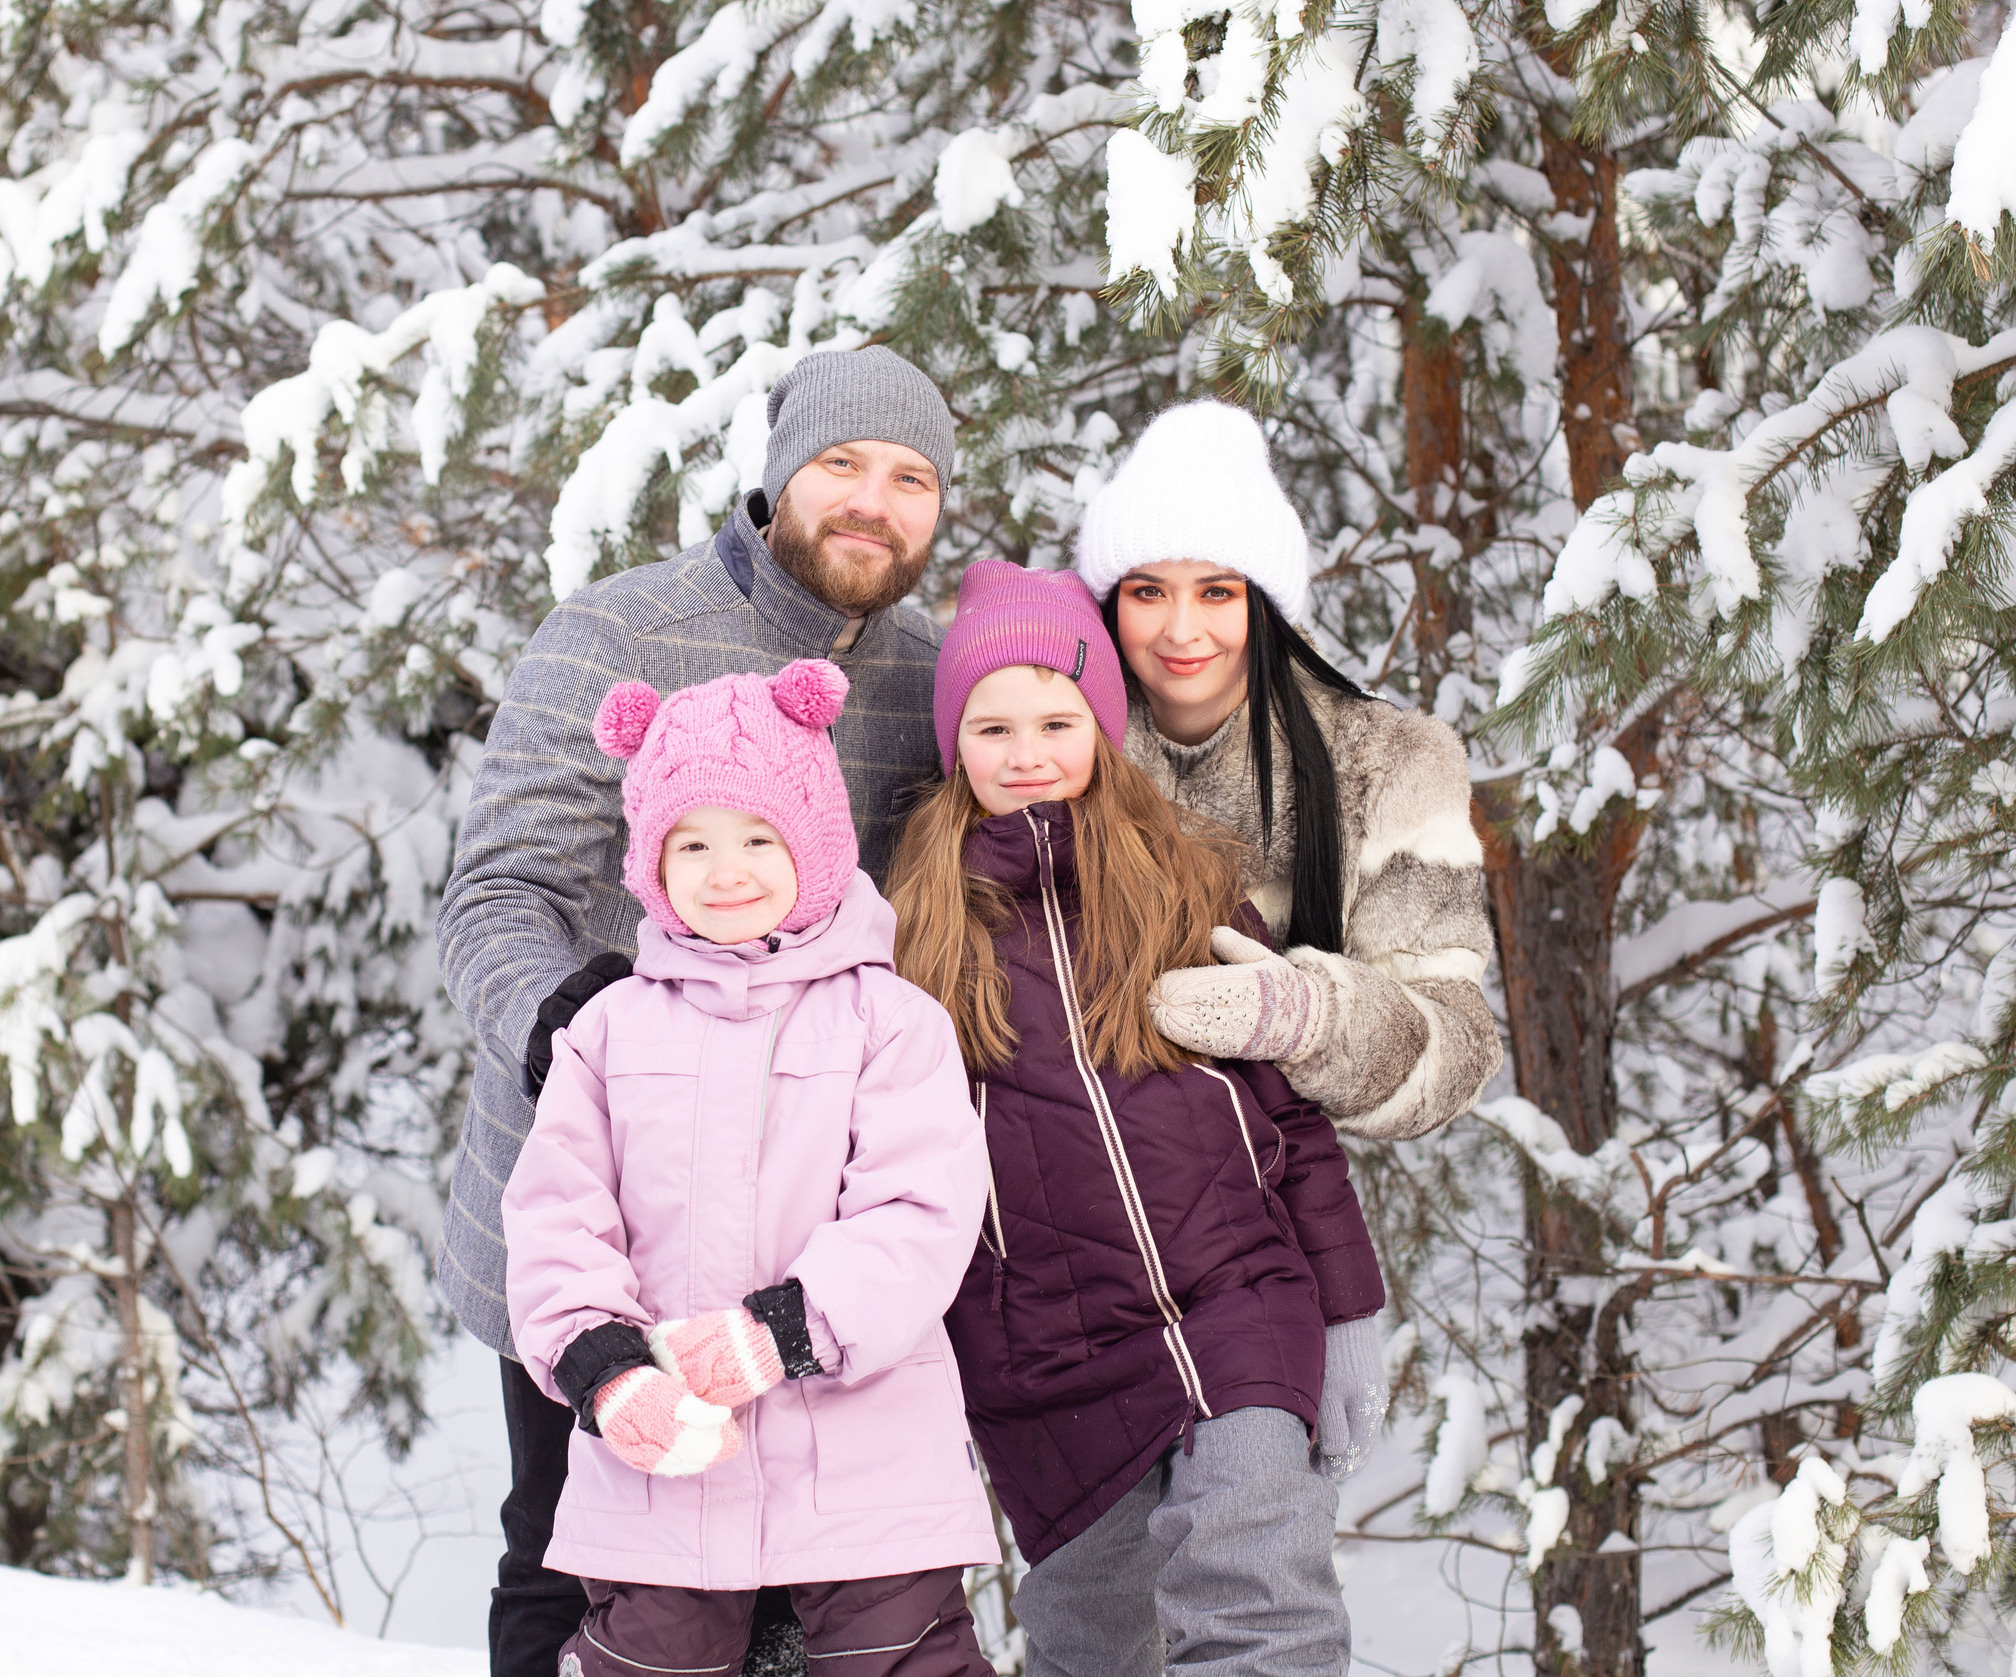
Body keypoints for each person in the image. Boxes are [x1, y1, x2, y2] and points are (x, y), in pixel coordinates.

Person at [434, 346, 958, 1672]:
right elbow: (496, 890)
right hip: (604, 1206)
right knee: (581, 1559)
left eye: (911, 478)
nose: (873, 501)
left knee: (809, 1599)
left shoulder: (926, 678)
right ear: (776, 476)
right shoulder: (621, 632)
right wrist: (579, 1030)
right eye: (842, 463)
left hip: (809, 1240)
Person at [886, 561, 1387, 1677]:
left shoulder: (1186, 885)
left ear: (1104, 729)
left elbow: (1292, 1118)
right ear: (955, 743)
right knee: (1093, 1642)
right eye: (993, 727)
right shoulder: (910, 929)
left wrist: (1350, 1307)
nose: (1027, 753)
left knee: (1263, 1598)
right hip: (1042, 1358)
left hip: (1238, 1303)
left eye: (1057, 722)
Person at [501, 660, 998, 1677]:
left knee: (900, 1661)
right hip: (664, 1475)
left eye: (759, 838)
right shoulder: (608, 1030)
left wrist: (785, 1332)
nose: (726, 870)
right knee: (651, 1661)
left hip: (867, 1470)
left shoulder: (888, 1022)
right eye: (692, 843)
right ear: (652, 861)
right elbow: (557, 1217)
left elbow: (919, 1212)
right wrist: (604, 1369)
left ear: (813, 840)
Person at [1071, 400, 1502, 1143]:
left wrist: (1310, 1021)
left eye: (1216, 592)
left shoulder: (1389, 766)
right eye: (1148, 591)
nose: (1180, 629)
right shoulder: (1054, 741)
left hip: (1271, 1187)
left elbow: (1457, 1052)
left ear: (1266, 607)